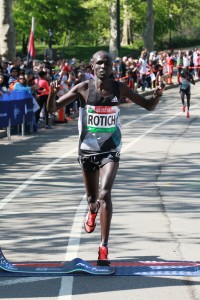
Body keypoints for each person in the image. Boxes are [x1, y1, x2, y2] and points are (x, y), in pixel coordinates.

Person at [47, 50, 165, 266]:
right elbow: (53, 109)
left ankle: (103, 247)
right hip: (88, 149)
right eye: (99, 63)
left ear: (112, 67)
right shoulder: (83, 88)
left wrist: (156, 95)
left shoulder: (119, 88)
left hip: (111, 149)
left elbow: (148, 105)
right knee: (93, 199)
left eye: (107, 63)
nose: (103, 67)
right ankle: (92, 210)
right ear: (92, 66)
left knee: (105, 192)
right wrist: (51, 94)